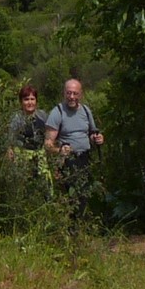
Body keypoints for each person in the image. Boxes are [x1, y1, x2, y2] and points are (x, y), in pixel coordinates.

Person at [44, 79, 104, 220]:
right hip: (68, 160)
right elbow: (47, 144)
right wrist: (59, 151)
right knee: (72, 195)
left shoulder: (86, 111)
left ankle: (82, 224)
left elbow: (91, 133)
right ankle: (72, 225)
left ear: (81, 94)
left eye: (75, 93)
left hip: (85, 158)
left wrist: (97, 138)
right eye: (69, 93)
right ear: (64, 93)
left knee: (85, 193)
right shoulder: (57, 112)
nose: (72, 97)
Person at [6, 84, 46, 155]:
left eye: (32, 99)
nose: (30, 102)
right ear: (21, 101)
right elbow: (10, 140)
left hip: (41, 154)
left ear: (36, 101)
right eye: (26, 99)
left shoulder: (43, 115)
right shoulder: (16, 118)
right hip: (22, 155)